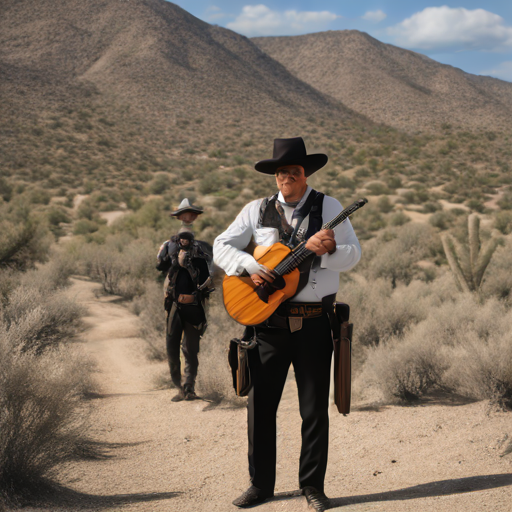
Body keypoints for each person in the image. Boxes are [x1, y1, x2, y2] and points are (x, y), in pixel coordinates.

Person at [213, 137, 361, 511]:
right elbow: (221, 246)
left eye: (293, 171)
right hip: (268, 326)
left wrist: (328, 251)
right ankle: (260, 485)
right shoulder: (255, 210)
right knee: (260, 407)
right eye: (281, 172)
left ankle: (312, 487)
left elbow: (353, 254)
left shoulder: (329, 207)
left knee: (313, 411)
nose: (286, 177)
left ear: (305, 173)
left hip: (313, 325)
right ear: (275, 176)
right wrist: (249, 266)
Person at [157, 199, 214, 402]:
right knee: (172, 345)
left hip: (194, 303)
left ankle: (189, 387)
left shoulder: (204, 248)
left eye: (192, 214)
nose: (188, 217)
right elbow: (160, 267)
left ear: (195, 217)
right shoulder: (169, 245)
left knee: (190, 347)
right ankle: (179, 386)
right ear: (179, 217)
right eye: (185, 214)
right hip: (173, 303)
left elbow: (212, 273)